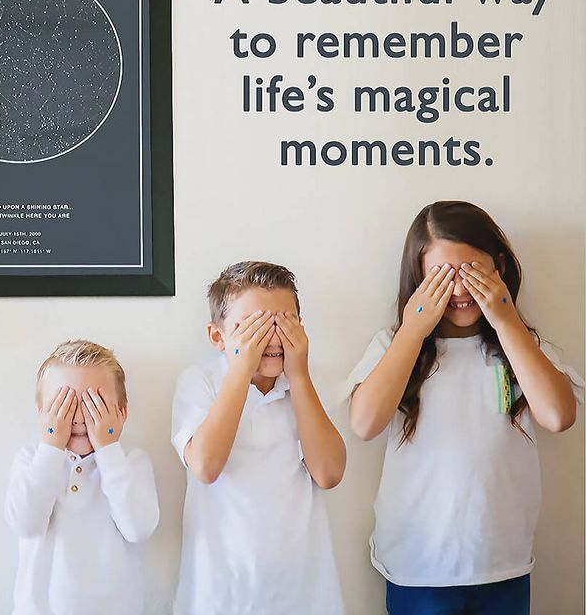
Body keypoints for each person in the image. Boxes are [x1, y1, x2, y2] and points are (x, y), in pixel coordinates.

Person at [345, 200, 583, 615]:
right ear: (417, 278)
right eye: (440, 276)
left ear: (500, 269)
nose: (457, 290)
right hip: (417, 569)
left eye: (470, 273)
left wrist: (507, 321)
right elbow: (364, 424)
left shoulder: (522, 346)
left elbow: (559, 416)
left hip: (503, 565)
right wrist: (413, 329)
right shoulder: (394, 345)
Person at [172, 260, 346, 615]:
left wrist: (298, 378)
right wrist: (240, 371)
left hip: (304, 594)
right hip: (218, 595)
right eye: (252, 328)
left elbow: (329, 473)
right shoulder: (201, 382)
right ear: (217, 337)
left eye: (282, 324)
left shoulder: (307, 386)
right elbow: (205, 466)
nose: (270, 339)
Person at [5, 340, 159, 615]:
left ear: (121, 412)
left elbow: (138, 528)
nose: (77, 417)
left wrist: (109, 449)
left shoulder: (131, 462)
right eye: (63, 405)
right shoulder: (31, 459)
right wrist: (51, 446)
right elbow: (26, 524)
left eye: (94, 404)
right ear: (42, 412)